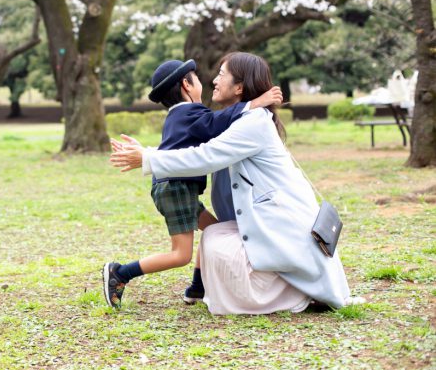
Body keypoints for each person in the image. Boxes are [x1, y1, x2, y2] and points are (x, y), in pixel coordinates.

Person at [110, 52, 357, 314]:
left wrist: (148, 158)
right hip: (270, 229)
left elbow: (205, 156)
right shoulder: (237, 120)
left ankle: (303, 290)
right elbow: (189, 143)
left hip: (283, 231)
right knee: (214, 236)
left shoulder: (252, 123)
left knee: (214, 240)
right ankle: (203, 287)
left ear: (239, 87)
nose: (214, 81)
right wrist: (149, 153)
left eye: (221, 75)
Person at [102, 58, 282, 308]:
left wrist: (146, 152)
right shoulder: (191, 112)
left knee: (214, 230)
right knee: (180, 254)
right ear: (187, 84)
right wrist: (255, 103)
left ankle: (197, 288)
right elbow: (216, 124)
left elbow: (176, 148)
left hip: (174, 188)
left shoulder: (178, 116)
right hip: (177, 189)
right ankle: (120, 274)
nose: (208, 82)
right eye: (197, 79)